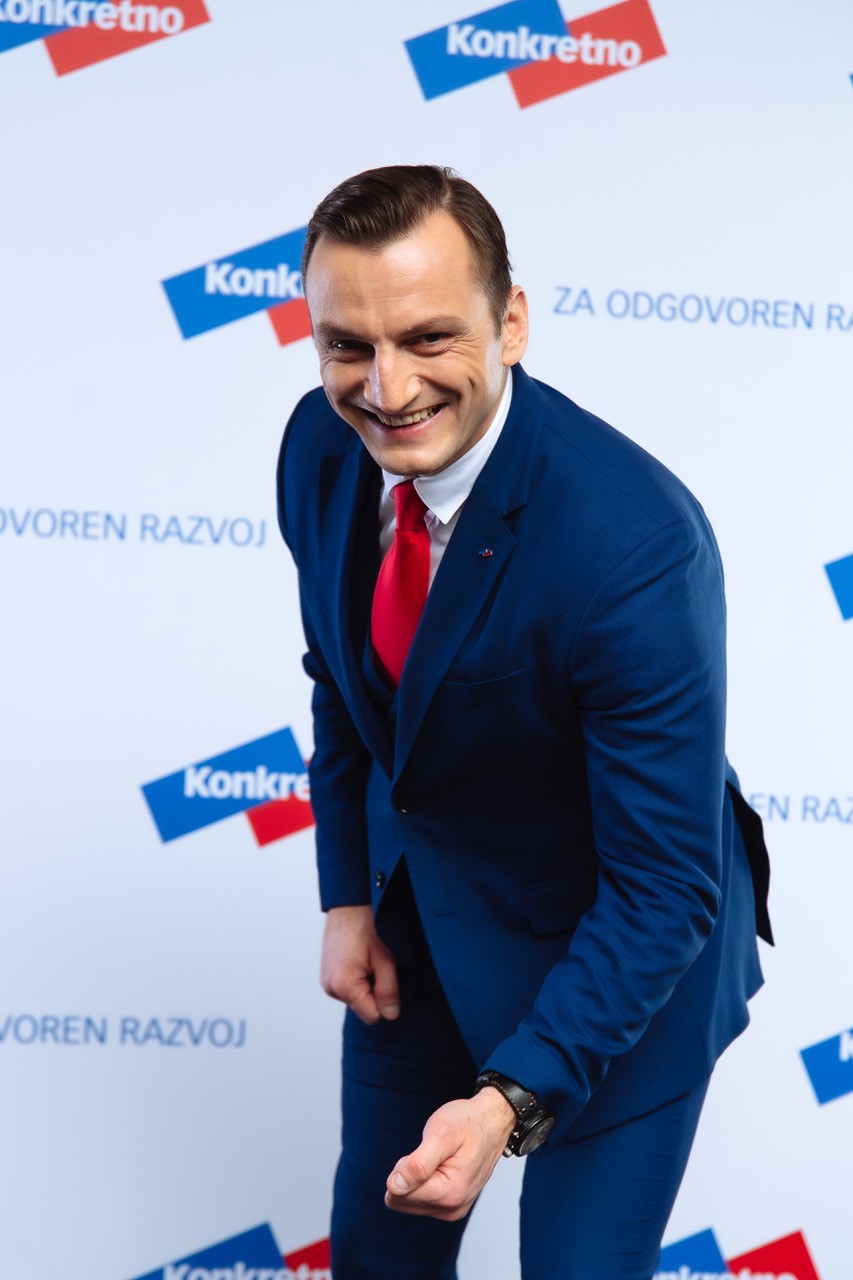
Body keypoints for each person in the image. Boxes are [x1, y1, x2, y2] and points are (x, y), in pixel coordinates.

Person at [276, 165, 772, 1280]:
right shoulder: (316, 447)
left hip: (623, 956)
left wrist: (507, 1097)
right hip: (422, 925)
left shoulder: (634, 542)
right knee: (379, 1257)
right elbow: (344, 684)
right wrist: (348, 893)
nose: (386, 389)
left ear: (510, 323)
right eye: (348, 346)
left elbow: (663, 889)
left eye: (427, 337)